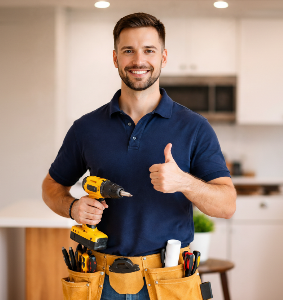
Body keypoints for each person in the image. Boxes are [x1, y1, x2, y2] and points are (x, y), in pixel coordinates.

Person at [42, 12, 237, 300]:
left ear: (164, 57)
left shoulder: (194, 127)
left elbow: (227, 205)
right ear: (115, 58)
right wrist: (72, 208)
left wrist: (185, 182)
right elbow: (51, 187)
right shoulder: (86, 128)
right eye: (128, 50)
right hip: (100, 280)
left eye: (149, 50)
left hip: (169, 279)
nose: (138, 60)